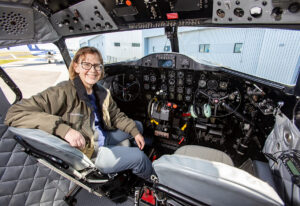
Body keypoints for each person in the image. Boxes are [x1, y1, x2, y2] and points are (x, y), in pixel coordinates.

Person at [5, 46, 153, 180]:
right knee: (139, 158)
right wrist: (64, 130)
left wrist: (134, 131)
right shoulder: (62, 91)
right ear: (76, 67)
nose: (93, 70)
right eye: (86, 64)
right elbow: (15, 113)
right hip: (91, 150)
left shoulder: (102, 92)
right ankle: (153, 184)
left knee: (138, 126)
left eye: (97, 66)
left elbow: (115, 116)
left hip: (103, 134)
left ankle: (130, 159)